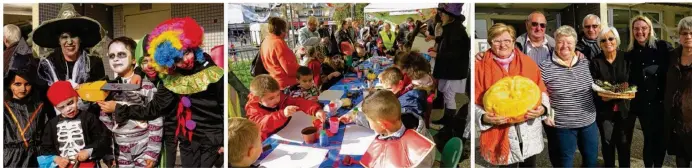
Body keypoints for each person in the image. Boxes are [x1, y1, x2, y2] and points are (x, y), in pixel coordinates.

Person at [146, 17, 225, 167]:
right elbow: (157, 105)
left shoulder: (212, 73)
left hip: (210, 140)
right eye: (177, 59)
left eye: (187, 52)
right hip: (187, 140)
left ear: (194, 46)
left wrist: (223, 141)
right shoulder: (174, 76)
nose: (186, 60)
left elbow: (222, 106)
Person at [97, 34, 179, 168]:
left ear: (134, 60)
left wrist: (152, 152)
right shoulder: (109, 88)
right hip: (121, 150)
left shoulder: (146, 86)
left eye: (122, 54)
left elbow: (155, 119)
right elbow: (107, 125)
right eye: (112, 56)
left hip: (143, 148)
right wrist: (109, 152)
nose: (116, 59)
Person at [475, 23, 550, 166]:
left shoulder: (528, 63)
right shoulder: (479, 67)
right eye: (497, 41)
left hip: (529, 132)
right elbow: (474, 100)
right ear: (490, 43)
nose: (503, 45)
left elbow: (542, 91)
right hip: (500, 135)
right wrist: (483, 117)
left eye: (507, 40)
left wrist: (543, 109)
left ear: (514, 42)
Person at [539, 25, 598, 167]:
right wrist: (545, 114)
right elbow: (539, 95)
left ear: (575, 45)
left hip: (588, 122)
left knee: (591, 160)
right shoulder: (544, 67)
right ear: (555, 43)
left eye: (569, 42)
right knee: (565, 163)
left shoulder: (585, 62)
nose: (565, 46)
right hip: (563, 126)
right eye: (560, 42)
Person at [625, 15, 673, 167]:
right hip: (643, 104)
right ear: (632, 31)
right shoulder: (630, 53)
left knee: (661, 140)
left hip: (661, 102)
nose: (640, 32)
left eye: (643, 28)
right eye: (636, 29)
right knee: (649, 138)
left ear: (650, 29)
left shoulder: (663, 47)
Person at [590, 26, 634, 167]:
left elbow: (632, 81)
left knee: (624, 144)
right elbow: (593, 84)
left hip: (625, 109)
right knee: (608, 142)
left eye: (611, 38)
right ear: (599, 44)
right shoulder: (595, 62)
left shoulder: (626, 58)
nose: (607, 42)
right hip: (605, 110)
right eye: (603, 40)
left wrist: (625, 90)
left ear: (617, 40)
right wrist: (603, 95)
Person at [39, 81, 110, 168]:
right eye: (62, 107)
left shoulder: (89, 118)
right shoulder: (51, 124)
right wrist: (56, 158)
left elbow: (102, 139)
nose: (68, 109)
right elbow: (45, 147)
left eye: (70, 103)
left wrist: (89, 151)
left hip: (88, 165)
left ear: (76, 98)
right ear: (56, 107)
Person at [33, 4, 107, 87]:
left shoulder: (94, 63)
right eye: (64, 37)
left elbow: (102, 90)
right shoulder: (48, 64)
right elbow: (41, 95)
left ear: (80, 39)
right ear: (59, 41)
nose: (69, 42)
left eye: (74, 36)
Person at [358, 90, 435, 168]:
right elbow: (379, 120)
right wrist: (356, 117)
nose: (370, 126)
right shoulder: (400, 119)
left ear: (383, 125)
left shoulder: (417, 154)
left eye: (369, 121)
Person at [245, 75, 326, 140]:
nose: (276, 100)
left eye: (278, 95)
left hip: (289, 132)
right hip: (269, 141)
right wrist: (282, 114)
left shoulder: (282, 98)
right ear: (257, 99)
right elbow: (263, 124)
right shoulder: (253, 110)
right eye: (271, 98)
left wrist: (316, 110)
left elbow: (298, 102)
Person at [429, 3, 471, 126]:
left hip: (453, 70)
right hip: (450, 69)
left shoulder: (457, 31)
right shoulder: (452, 28)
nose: (441, 15)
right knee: (448, 95)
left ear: (450, 16)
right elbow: (447, 46)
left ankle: (449, 123)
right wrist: (437, 50)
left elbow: (457, 53)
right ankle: (447, 119)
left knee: (449, 96)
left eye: (443, 14)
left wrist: (438, 55)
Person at [4, 67, 54, 167]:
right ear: (9, 85)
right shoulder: (4, 108)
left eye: (27, 84)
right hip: (10, 158)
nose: (23, 89)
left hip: (36, 157)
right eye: (17, 84)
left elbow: (47, 133)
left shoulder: (41, 107)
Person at [664, 16, 692, 167]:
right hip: (677, 120)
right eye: (684, 33)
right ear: (679, 36)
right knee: (681, 161)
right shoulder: (673, 55)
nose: (688, 36)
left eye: (691, 33)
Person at [261, 17, 300, 89]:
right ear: (282, 30)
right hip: (287, 83)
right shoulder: (278, 43)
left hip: (275, 79)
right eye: (286, 29)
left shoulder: (266, 41)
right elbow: (289, 68)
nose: (287, 31)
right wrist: (303, 69)